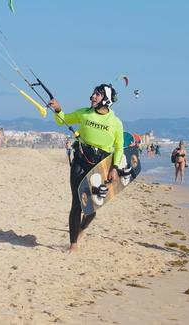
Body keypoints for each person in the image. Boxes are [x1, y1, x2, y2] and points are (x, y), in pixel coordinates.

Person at [49, 83, 123, 252]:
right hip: (80, 161)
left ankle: (82, 228)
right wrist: (59, 109)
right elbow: (63, 120)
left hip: (101, 165)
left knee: (91, 208)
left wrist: (115, 167)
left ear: (107, 99)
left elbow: (119, 148)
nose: (93, 97)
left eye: (97, 94)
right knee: (77, 203)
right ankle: (73, 244)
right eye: (93, 94)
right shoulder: (84, 113)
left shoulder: (115, 122)